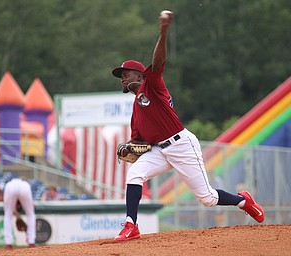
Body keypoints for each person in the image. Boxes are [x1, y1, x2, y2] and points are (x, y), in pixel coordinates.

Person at [111, 10, 264, 242]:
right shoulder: (135, 110)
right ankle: (131, 225)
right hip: (159, 150)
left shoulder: (152, 85)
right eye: (121, 75)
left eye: (126, 73)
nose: (122, 77)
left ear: (141, 76)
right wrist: (132, 148)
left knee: (208, 199)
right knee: (134, 174)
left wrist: (163, 33)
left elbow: (159, 61)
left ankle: (243, 200)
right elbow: (140, 140)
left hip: (181, 145)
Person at [3, 178, 36, 249]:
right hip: (24, 187)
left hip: (10, 187)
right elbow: (33, 206)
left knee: (8, 215)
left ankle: (8, 243)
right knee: (31, 215)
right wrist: (18, 217)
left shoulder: (9, 185)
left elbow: (10, 208)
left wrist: (17, 216)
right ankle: (31, 242)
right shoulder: (25, 184)